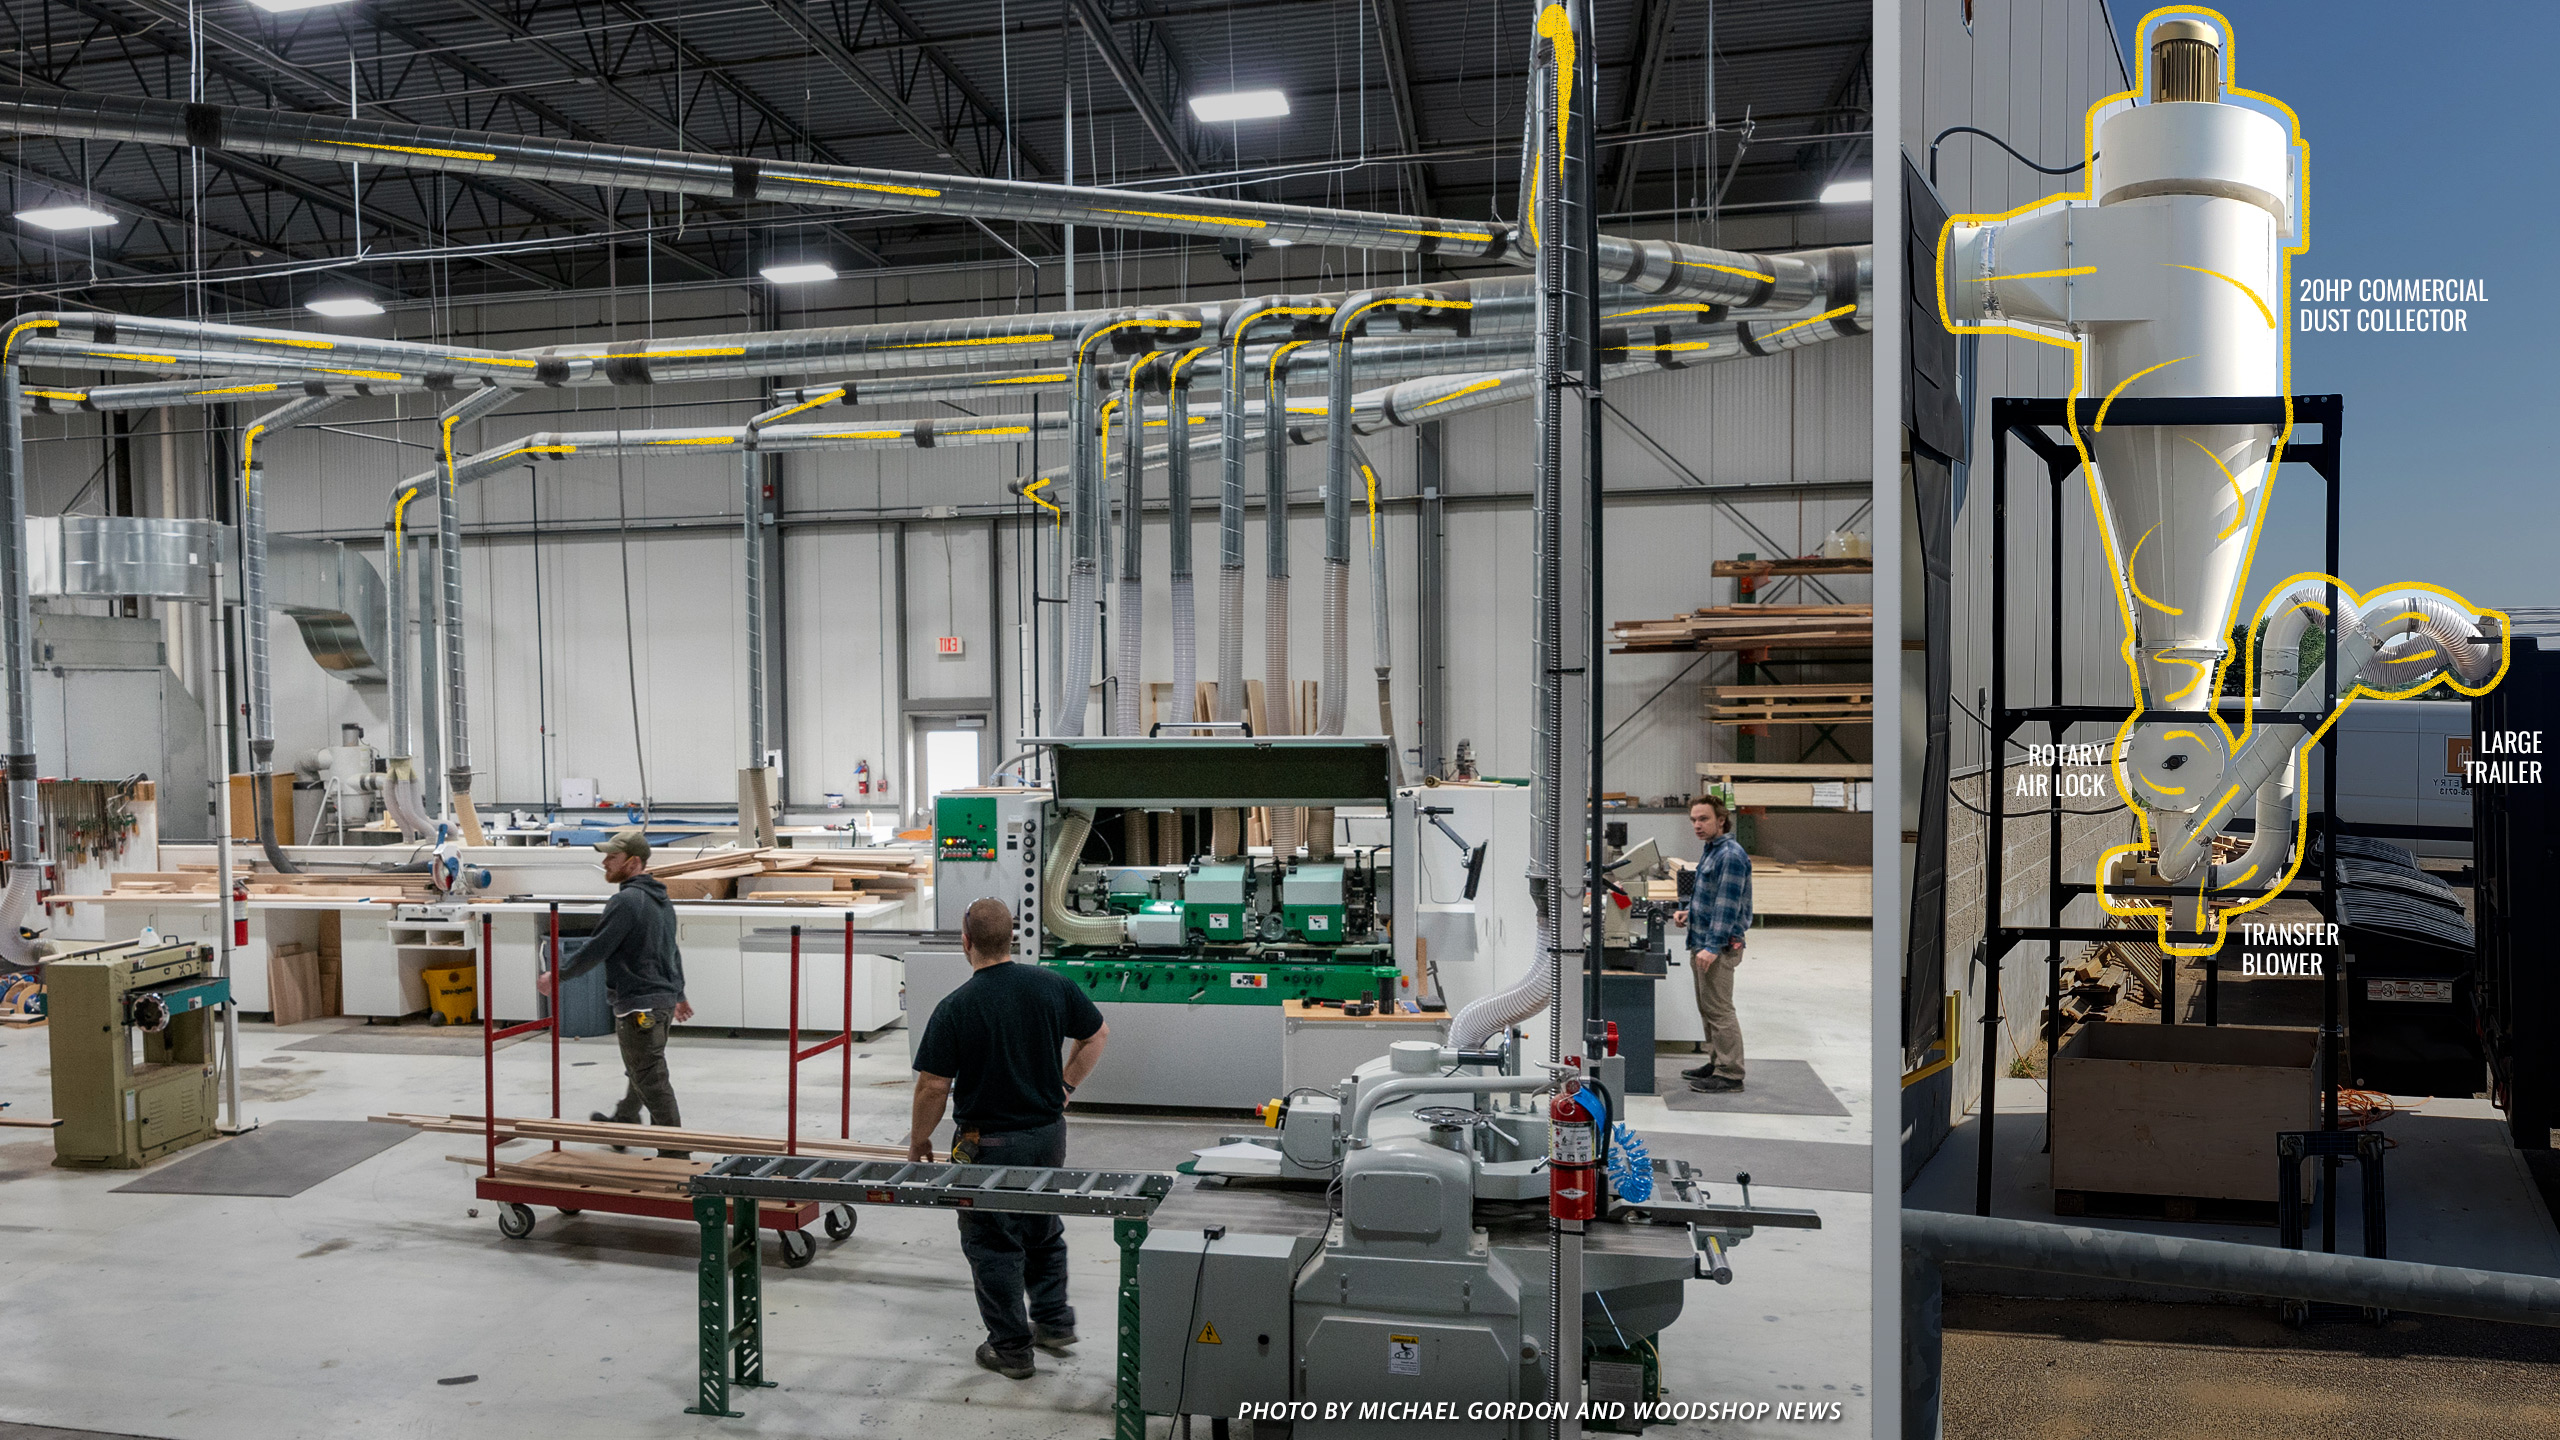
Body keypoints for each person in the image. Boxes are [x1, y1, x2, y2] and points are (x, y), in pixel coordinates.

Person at [909, 898, 1111, 1380]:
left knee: (994, 1243)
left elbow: (934, 1086)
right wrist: (1065, 1086)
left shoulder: (956, 1006)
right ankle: (1055, 1322)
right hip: (1047, 1136)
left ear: (966, 940)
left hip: (990, 1143)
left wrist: (919, 1140)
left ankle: (1012, 1349)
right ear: (1012, 937)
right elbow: (1097, 1035)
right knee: (1041, 1229)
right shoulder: (1052, 986)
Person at [536, 827, 693, 1153]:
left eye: (613, 857)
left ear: (634, 862)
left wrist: (558, 975)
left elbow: (598, 947)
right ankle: (625, 1120)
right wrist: (677, 993)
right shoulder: (660, 901)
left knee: (651, 1078)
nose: (606, 862)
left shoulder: (626, 901)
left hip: (639, 1006)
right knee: (644, 1067)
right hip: (659, 1003)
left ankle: (675, 1153)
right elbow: (671, 952)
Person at [1673, 795, 1753, 1093]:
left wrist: (1712, 947)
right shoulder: (1711, 850)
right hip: (1703, 939)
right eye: (1693, 819)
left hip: (1717, 945)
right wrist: (1687, 911)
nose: (1697, 825)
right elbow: (1705, 894)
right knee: (1707, 1008)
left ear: (1721, 820)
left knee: (1720, 1011)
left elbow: (1726, 906)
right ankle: (1716, 1061)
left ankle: (1731, 1073)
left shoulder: (1730, 855)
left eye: (1703, 819)